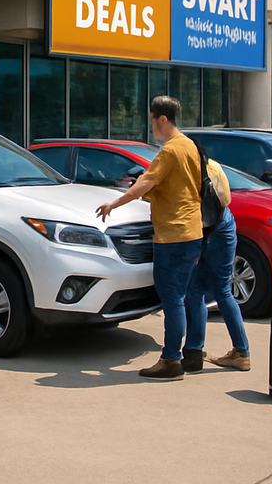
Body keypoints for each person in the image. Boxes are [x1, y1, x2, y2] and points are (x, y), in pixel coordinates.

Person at [97, 96, 203, 381]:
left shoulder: (169, 151)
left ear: (162, 119)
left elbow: (145, 183)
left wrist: (114, 204)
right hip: (193, 232)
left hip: (172, 235)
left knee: (172, 300)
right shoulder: (190, 146)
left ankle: (171, 360)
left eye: (152, 120)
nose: (152, 126)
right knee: (188, 296)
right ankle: (192, 352)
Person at [182, 162, 251, 372]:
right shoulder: (213, 166)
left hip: (203, 229)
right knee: (220, 290)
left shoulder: (185, 171)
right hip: (225, 225)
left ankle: (194, 351)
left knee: (194, 291)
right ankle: (241, 351)